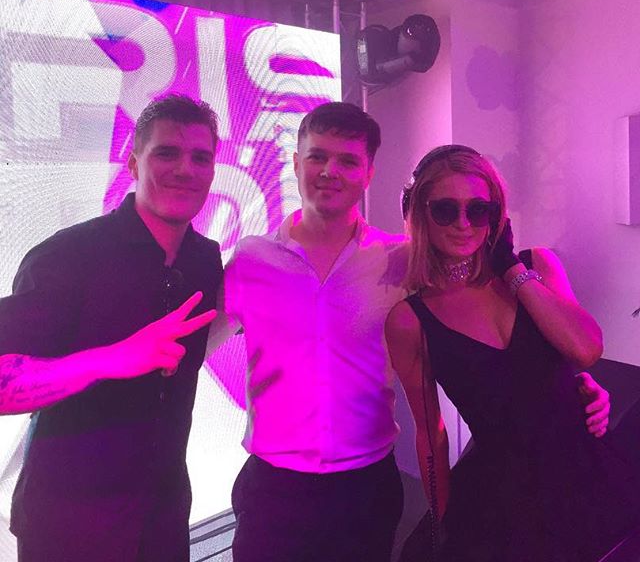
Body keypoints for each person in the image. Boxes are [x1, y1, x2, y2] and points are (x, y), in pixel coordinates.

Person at [208, 105, 612, 562]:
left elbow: (547, 342)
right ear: (297, 163)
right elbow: (193, 350)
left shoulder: (400, 261)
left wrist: (574, 384)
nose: (330, 171)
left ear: (368, 174)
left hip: (365, 484)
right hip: (275, 483)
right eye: (317, 156)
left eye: (348, 161)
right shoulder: (252, 259)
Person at [385, 144, 640, 562]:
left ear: (496, 214)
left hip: (589, 473)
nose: (464, 224)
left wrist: (511, 269)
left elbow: (585, 350)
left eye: (478, 210)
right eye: (446, 210)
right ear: (420, 214)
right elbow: (431, 433)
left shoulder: (536, 266)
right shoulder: (410, 319)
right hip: (505, 497)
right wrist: (441, 522)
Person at [0, 94, 222, 562]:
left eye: (201, 158)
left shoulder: (205, 260)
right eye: (167, 153)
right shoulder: (69, 255)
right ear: (133, 162)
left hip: (162, 522)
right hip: (67, 527)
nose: (185, 169)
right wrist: (110, 359)